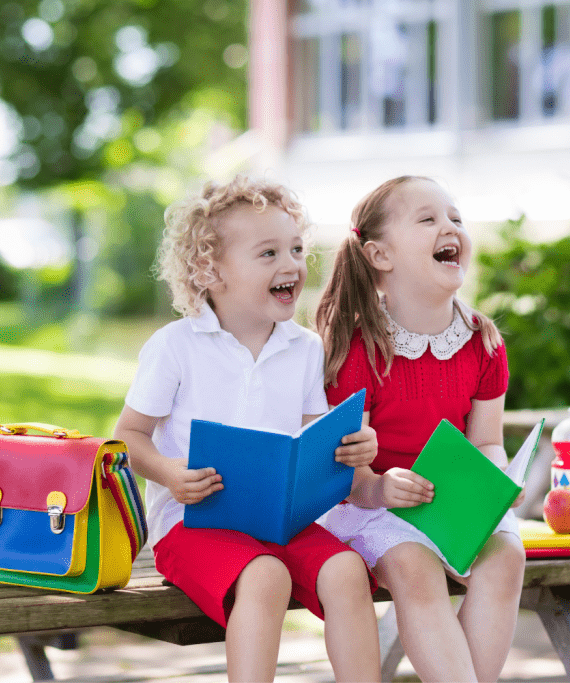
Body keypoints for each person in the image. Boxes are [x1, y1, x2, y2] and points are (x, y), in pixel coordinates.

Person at [113, 176, 381, 683]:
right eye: (268, 253)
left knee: (347, 571)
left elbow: (312, 443)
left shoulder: (304, 348)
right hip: (191, 524)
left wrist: (351, 449)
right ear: (210, 270)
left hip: (281, 522)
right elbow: (128, 437)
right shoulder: (176, 346)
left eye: (297, 249)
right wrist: (171, 473)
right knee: (265, 576)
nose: (292, 265)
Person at [314, 175, 526, 682]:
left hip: (454, 505)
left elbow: (487, 442)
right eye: (428, 219)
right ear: (380, 256)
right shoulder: (360, 348)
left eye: (455, 218)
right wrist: (383, 488)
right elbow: (348, 474)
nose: (449, 227)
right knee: (414, 567)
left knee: (507, 555)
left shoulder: (483, 342)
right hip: (374, 507)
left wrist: (495, 479)